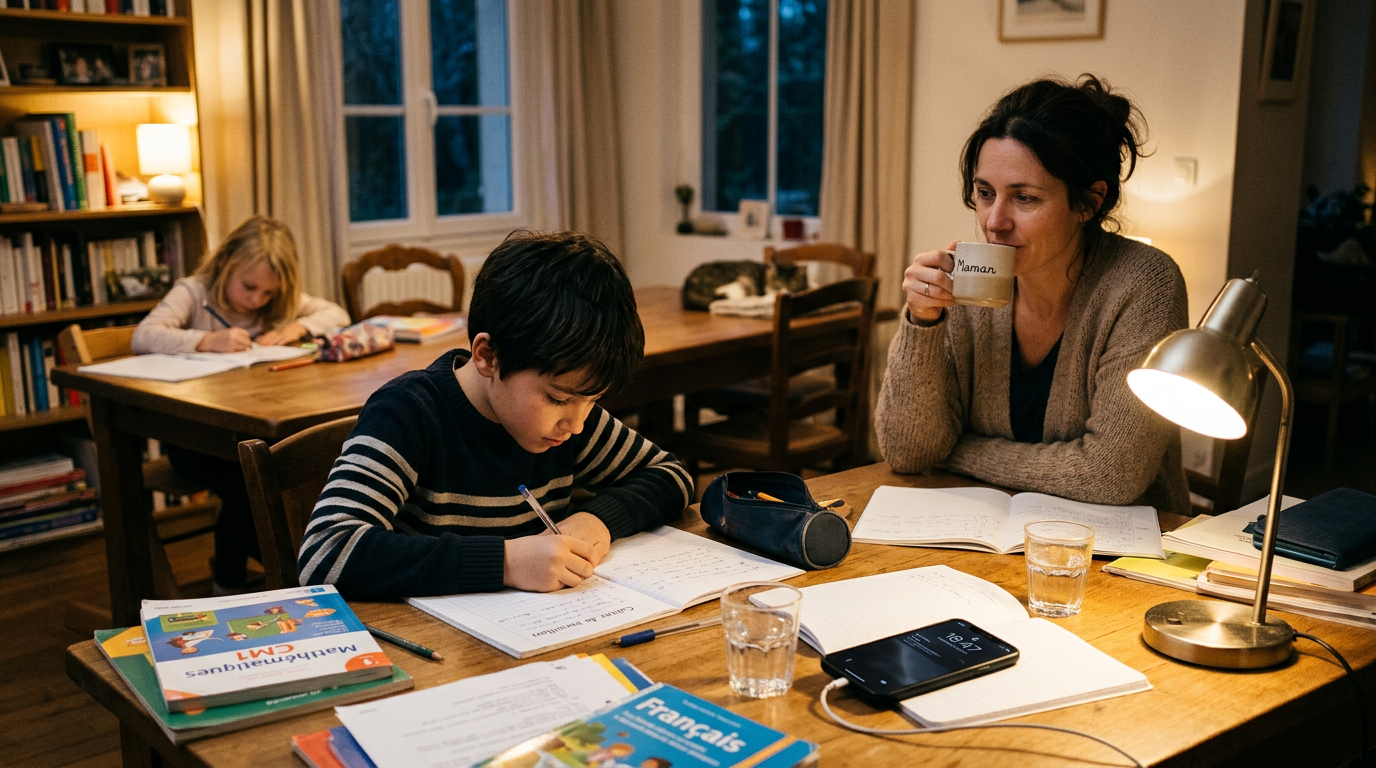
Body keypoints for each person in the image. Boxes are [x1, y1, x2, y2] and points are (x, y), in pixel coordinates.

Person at [298, 231, 693, 599]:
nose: (576, 425)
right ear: (487, 356)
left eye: (592, 401)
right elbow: (325, 552)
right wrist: (505, 562)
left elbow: (672, 475)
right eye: (558, 400)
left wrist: (599, 520)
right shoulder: (410, 413)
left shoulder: (572, 417)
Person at [875, 74, 1190, 516]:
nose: (994, 222)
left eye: (1024, 198)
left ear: (1089, 202)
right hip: (985, 535)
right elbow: (909, 454)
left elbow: (1110, 475)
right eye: (985, 194)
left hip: (1121, 556)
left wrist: (959, 452)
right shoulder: (970, 280)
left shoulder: (1144, 284)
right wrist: (923, 322)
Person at [133, 215, 351, 593]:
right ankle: (230, 585)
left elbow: (337, 314)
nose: (257, 300)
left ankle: (284, 566)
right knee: (249, 481)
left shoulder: (276, 301)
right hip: (194, 438)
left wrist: (295, 327)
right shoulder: (194, 292)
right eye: (249, 287)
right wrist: (204, 341)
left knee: (288, 466)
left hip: (252, 428)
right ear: (225, 263)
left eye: (268, 293)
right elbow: (144, 335)